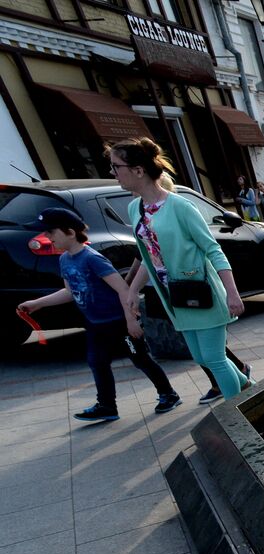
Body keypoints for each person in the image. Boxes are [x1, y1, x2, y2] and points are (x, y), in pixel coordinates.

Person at [112, 138, 251, 404]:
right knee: (201, 358)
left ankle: (241, 416)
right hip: (174, 296)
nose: (113, 172)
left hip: (202, 291)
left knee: (214, 358)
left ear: (138, 170)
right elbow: (147, 255)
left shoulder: (181, 207)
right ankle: (251, 389)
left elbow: (213, 250)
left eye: (116, 166)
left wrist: (232, 294)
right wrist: (132, 290)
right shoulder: (134, 208)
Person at [17, 207, 180, 422]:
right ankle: (107, 406)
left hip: (119, 322)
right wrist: (38, 304)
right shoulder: (65, 260)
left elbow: (123, 289)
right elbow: (70, 291)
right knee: (97, 362)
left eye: (50, 232)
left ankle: (168, 394)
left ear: (70, 232)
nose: (46, 237)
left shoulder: (92, 258)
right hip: (95, 324)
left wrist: (131, 320)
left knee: (140, 359)